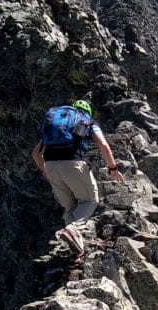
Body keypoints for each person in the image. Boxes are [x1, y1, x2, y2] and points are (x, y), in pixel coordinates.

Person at [32, 99, 124, 255]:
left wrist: (45, 171)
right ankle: (73, 230)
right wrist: (113, 168)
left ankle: (74, 246)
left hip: (51, 167)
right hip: (73, 163)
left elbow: (35, 154)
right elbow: (103, 145)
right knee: (90, 200)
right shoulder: (87, 120)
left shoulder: (57, 123)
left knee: (71, 207)